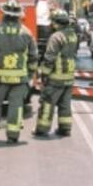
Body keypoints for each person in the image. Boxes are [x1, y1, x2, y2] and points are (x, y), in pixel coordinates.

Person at [0, 0, 37, 143]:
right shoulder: (26, 33)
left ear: (3, 13)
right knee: (16, 107)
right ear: (18, 15)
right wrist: (30, 76)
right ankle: (13, 136)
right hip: (19, 79)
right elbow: (33, 57)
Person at [34, 9, 78, 137]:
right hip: (69, 76)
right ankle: (65, 128)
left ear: (56, 23)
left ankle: (42, 129)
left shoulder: (56, 37)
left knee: (47, 103)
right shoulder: (73, 35)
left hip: (56, 77)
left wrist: (44, 75)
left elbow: (49, 58)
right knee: (65, 104)